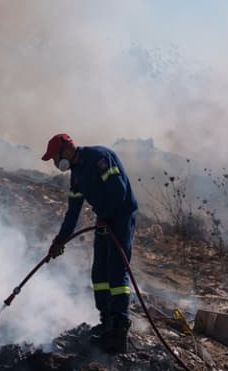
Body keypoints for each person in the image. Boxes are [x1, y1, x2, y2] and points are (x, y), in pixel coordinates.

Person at [41, 133, 139, 354]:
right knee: (99, 272)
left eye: (55, 158)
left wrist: (105, 215)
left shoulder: (99, 157)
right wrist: (59, 241)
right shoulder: (76, 176)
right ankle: (106, 322)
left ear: (66, 150)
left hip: (121, 216)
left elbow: (119, 191)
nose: (56, 164)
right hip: (104, 219)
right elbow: (73, 212)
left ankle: (119, 328)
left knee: (116, 270)